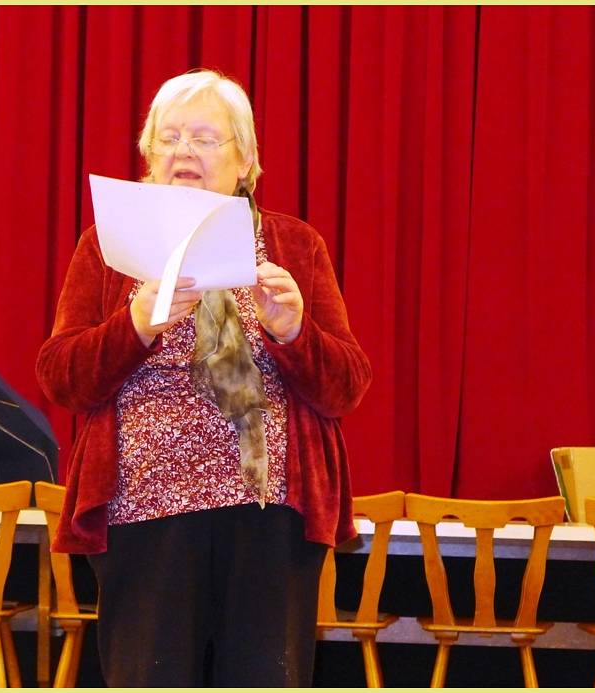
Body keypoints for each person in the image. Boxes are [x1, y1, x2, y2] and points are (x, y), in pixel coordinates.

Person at [36, 69, 371, 687]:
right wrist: (134, 325)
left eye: (204, 138)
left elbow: (347, 387)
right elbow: (61, 379)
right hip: (144, 510)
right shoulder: (107, 248)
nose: (183, 151)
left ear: (245, 162)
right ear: (148, 156)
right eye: (168, 138)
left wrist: (295, 332)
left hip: (271, 516)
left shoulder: (295, 245)